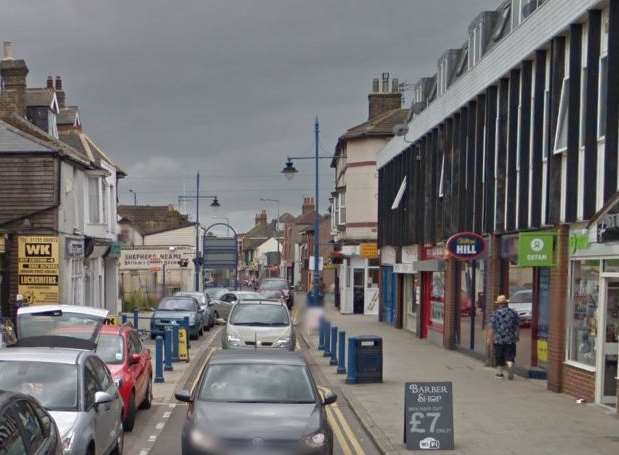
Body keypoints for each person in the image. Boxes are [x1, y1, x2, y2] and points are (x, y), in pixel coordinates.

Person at [488, 294, 520, 380]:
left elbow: (492, 328)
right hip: (510, 339)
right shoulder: (513, 313)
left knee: (499, 356)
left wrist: (490, 339)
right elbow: (517, 326)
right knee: (510, 356)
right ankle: (510, 369)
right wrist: (517, 335)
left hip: (499, 339)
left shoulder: (495, 314)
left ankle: (500, 373)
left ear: (499, 304)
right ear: (506, 303)